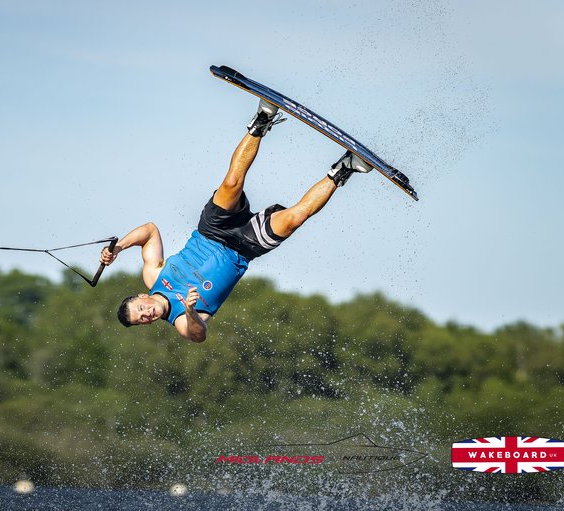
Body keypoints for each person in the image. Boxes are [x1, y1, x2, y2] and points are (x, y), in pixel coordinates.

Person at [99, 100, 372, 342]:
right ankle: (344, 168)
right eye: (142, 320)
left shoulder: (153, 277)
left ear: (142, 297)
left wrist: (119, 248)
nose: (146, 315)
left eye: (141, 309)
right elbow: (198, 335)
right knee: (295, 218)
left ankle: (261, 120)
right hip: (244, 248)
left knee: (232, 183)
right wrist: (191, 311)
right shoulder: (182, 321)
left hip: (212, 229)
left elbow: (149, 231)